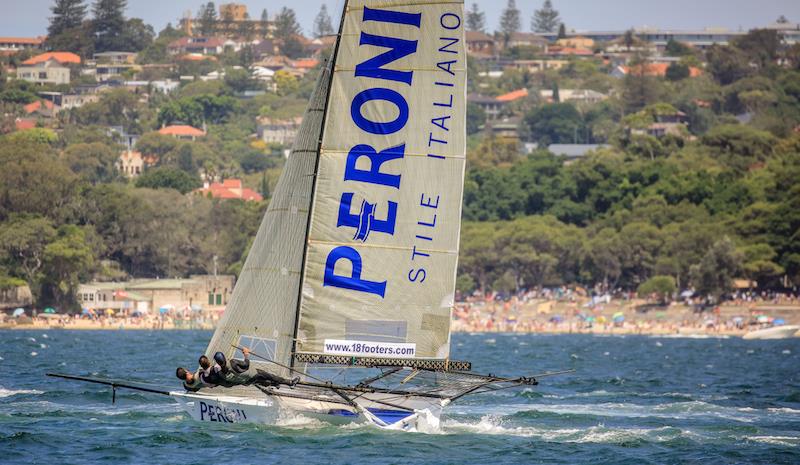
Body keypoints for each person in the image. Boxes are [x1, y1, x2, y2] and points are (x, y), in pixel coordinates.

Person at [205, 348, 299, 388]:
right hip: (253, 374)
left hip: (246, 382)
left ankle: (274, 385)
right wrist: (246, 354)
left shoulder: (219, 373)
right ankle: (290, 383)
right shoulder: (232, 362)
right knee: (271, 376)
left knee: (263, 382)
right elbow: (246, 365)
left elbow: (227, 382)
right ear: (224, 358)